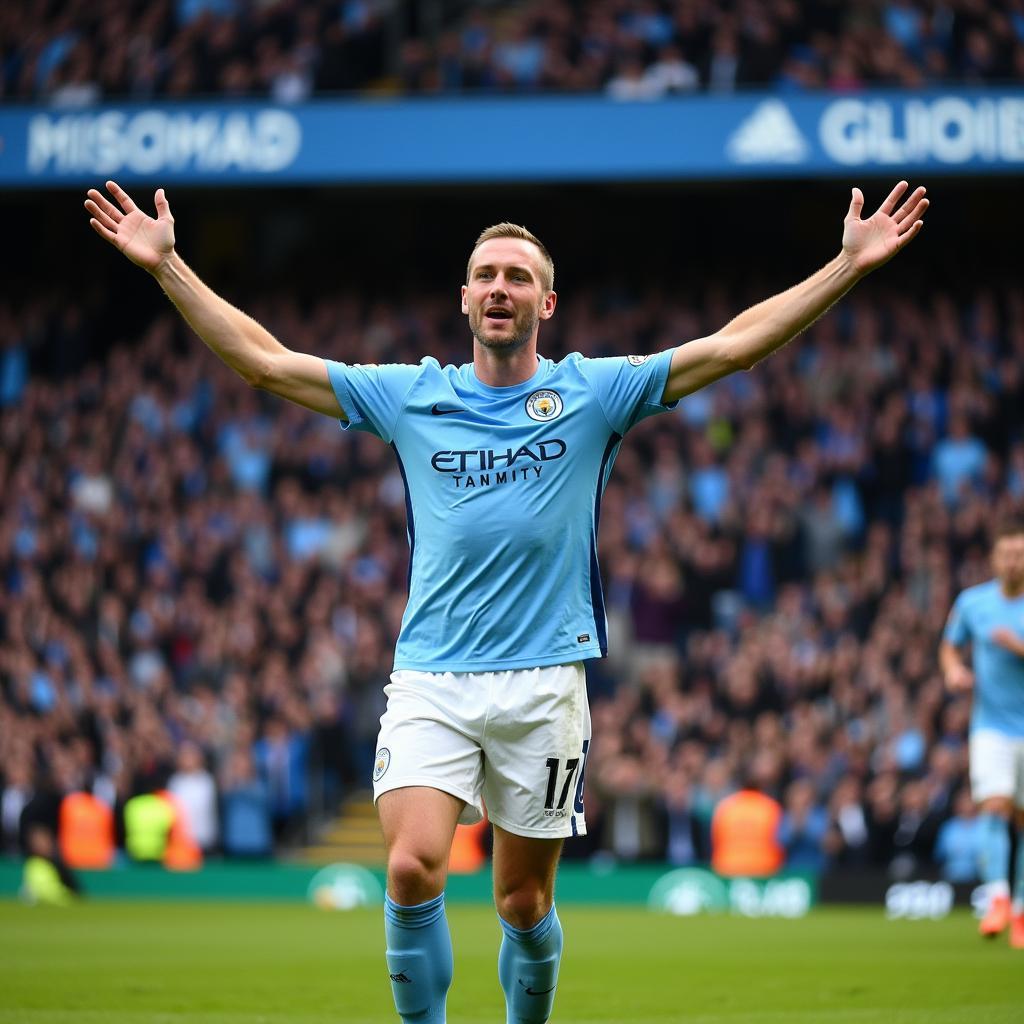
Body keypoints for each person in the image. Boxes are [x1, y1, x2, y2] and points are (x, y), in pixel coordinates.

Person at [84, 177, 927, 1022]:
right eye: (486, 274)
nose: (500, 287)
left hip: (544, 684)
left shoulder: (595, 393)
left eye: (518, 277)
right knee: (413, 867)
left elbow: (732, 346)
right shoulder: (411, 395)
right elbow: (268, 364)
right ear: (463, 297)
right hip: (432, 679)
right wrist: (169, 268)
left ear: (546, 302)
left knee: (521, 904)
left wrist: (845, 267)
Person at [941, 519, 1024, 948]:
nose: (1014, 561)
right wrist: (954, 669)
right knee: (994, 807)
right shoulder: (974, 603)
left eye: (1020, 554)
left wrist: (1017, 648)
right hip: (990, 726)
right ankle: (997, 899)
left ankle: (1022, 913)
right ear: (994, 559)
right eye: (1007, 554)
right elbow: (949, 644)